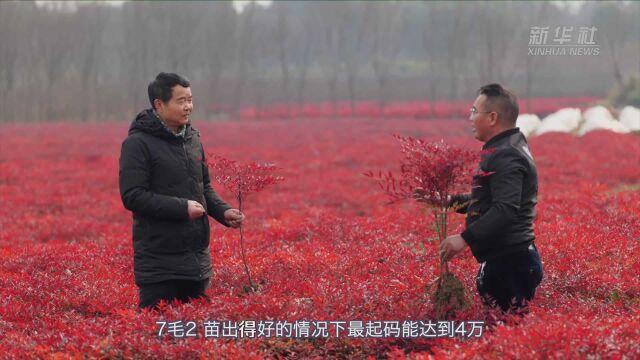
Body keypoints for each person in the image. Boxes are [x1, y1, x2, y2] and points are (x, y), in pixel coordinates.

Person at [119, 72, 245, 309]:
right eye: (181, 101)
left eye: (190, 100)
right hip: (159, 265)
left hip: (196, 262)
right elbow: (132, 195)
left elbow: (203, 186)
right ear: (159, 104)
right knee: (157, 335)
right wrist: (181, 208)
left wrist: (223, 212)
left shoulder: (193, 139)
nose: (188, 107)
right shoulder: (137, 144)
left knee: (195, 335)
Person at [437, 83, 543, 312]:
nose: (470, 118)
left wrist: (464, 238)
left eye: (475, 112)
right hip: (508, 260)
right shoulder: (509, 145)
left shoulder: (507, 154)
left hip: (511, 264)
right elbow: (487, 203)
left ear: (492, 117)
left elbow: (505, 209)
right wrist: (447, 201)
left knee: (507, 334)